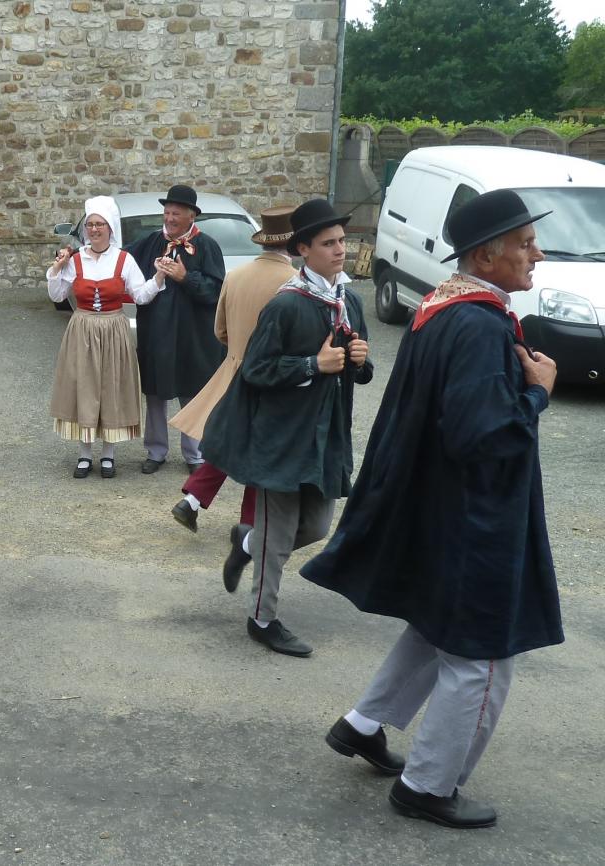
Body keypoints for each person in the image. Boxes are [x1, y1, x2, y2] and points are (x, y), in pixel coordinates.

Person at [301, 189, 561, 829]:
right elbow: (481, 436)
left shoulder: (445, 309)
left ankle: (363, 724)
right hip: (477, 518)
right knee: (482, 654)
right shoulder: (476, 325)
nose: (538, 254)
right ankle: (427, 785)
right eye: (526, 245)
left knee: (437, 626)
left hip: (443, 507)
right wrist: (537, 396)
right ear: (486, 254)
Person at [201, 199, 373, 657]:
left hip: (325, 434)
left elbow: (353, 369)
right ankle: (263, 618)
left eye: (342, 240)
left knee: (316, 526)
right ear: (303, 249)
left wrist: (359, 363)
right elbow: (256, 369)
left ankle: (246, 540)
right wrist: (313, 364)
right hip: (281, 435)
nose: (340, 250)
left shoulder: (348, 300)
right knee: (279, 538)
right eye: (329, 243)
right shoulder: (287, 305)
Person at [169, 206, 297, 542]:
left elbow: (220, 331)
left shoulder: (236, 275)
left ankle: (192, 500)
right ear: (296, 243)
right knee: (261, 450)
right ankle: (248, 525)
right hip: (271, 378)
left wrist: (238, 350)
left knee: (233, 441)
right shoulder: (294, 283)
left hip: (235, 369)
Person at [47, 195, 161, 478]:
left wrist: (158, 278)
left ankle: (108, 454)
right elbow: (57, 295)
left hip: (113, 328)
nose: (94, 229)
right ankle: (85, 454)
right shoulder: (75, 260)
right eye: (90, 224)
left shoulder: (124, 259)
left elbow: (141, 296)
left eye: (100, 224)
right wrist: (57, 270)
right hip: (82, 328)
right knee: (84, 388)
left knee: (111, 387)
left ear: (110, 228)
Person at [128, 184, 226, 473]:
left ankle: (195, 454)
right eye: (167, 212)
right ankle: (156, 451)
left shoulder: (207, 246)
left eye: (176, 213)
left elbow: (216, 292)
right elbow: (117, 261)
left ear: (192, 216)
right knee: (155, 392)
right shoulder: (149, 242)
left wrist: (186, 277)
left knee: (192, 391)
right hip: (156, 330)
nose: (169, 218)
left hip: (193, 333)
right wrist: (79, 255)